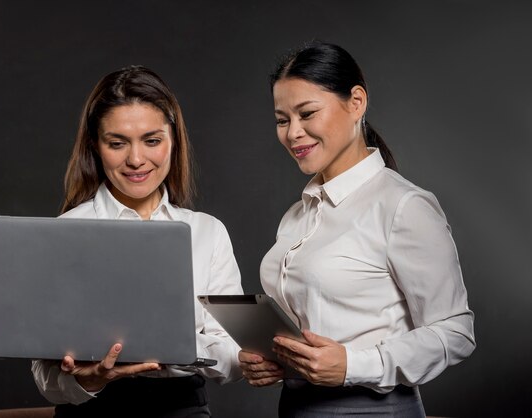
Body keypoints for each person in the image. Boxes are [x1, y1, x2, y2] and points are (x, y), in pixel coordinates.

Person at [238, 41, 476, 417]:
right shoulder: (296, 216)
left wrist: (354, 365)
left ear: (356, 102)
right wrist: (276, 360)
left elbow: (455, 331)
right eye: (282, 120)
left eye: (307, 113)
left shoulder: (403, 205)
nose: (293, 133)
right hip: (295, 407)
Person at [31, 65, 243, 417]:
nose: (136, 159)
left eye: (152, 140)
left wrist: (179, 347)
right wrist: (93, 380)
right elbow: (44, 375)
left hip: (182, 408)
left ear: (173, 140)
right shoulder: (63, 233)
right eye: (117, 143)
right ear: (95, 146)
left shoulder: (207, 232)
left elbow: (234, 361)